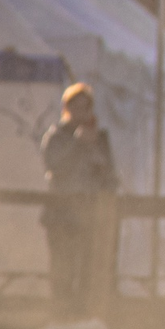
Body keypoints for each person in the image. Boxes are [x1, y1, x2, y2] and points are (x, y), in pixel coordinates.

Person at [40, 83, 118, 312]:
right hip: (61, 215)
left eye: (86, 107)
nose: (81, 112)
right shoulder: (56, 136)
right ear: (67, 108)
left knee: (87, 269)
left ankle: (82, 315)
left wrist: (98, 159)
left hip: (89, 215)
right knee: (62, 269)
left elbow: (110, 176)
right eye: (76, 106)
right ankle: (60, 313)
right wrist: (77, 143)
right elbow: (54, 165)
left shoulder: (100, 139)